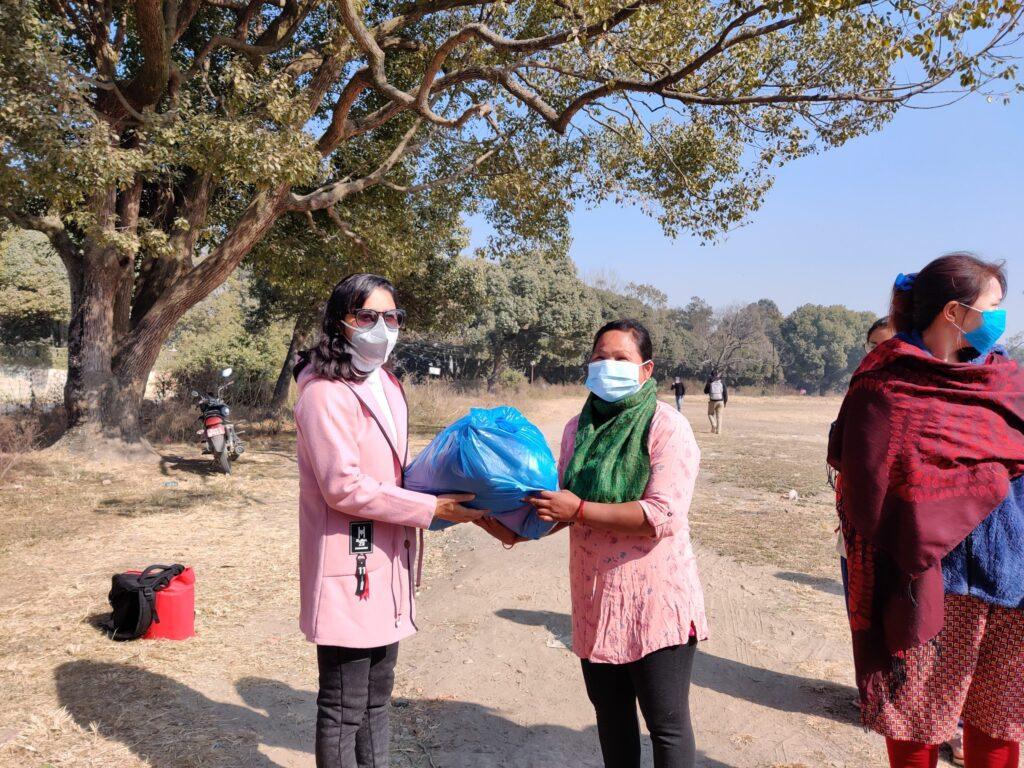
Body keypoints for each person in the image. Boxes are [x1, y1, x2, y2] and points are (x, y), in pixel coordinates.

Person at [481, 319, 708, 768]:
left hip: (656, 602)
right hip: (596, 600)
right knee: (611, 717)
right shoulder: (576, 428)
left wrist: (578, 510)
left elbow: (661, 515)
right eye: (600, 357)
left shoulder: (666, 427)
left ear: (646, 370)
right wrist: (508, 525)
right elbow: (562, 503)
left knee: (666, 725)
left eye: (621, 359)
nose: (608, 366)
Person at [828, 254, 1024, 768]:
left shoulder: (1004, 380)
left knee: (1000, 723)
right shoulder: (885, 385)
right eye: (995, 306)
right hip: (929, 583)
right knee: (917, 723)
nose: (1003, 318)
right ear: (955, 313)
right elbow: (865, 489)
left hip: (1011, 582)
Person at [293, 273, 483, 768]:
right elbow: (342, 486)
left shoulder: (389, 384)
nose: (381, 327)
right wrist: (427, 509)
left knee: (378, 696)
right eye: (366, 316)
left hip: (389, 553)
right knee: (342, 706)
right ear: (340, 322)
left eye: (391, 317)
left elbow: (394, 469)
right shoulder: (323, 393)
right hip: (351, 552)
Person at [835, 316, 895, 601]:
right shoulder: (860, 389)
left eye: (888, 344)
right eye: (873, 346)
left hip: (896, 535)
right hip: (855, 526)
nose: (878, 353)